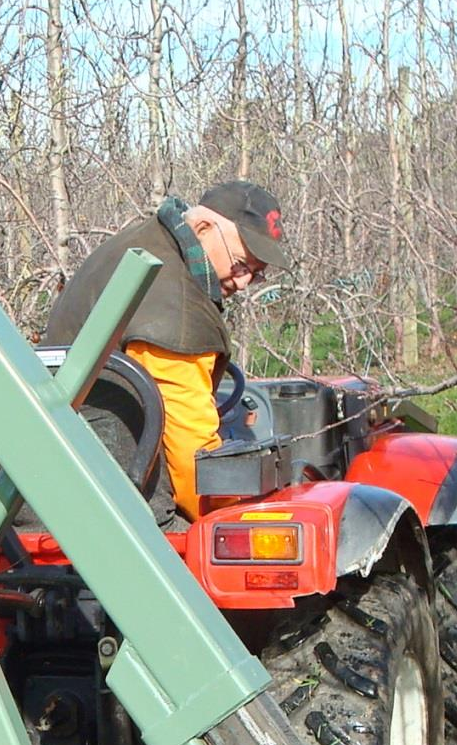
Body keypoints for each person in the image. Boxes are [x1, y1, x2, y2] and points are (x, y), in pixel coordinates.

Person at [40, 181, 288, 519]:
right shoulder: (178, 309)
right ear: (203, 227)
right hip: (103, 490)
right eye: (241, 264)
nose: (243, 282)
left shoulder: (147, 241)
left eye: (256, 275)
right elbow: (193, 464)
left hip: (60, 463)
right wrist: (240, 515)